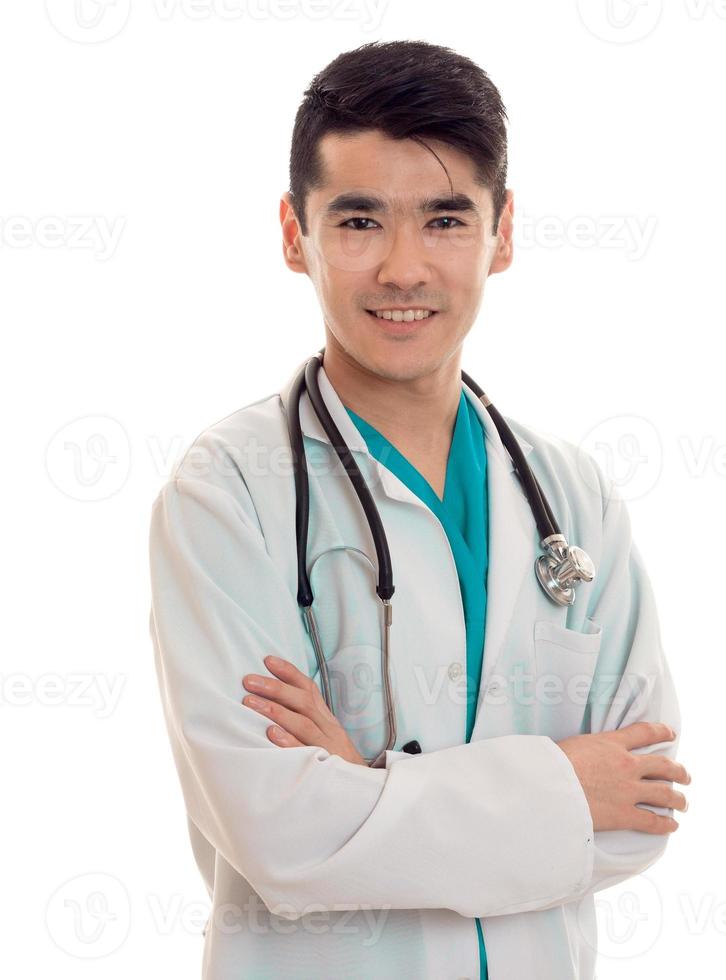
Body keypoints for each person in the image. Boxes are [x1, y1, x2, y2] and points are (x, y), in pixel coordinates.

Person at [148, 39, 689, 979]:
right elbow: (279, 835)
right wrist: (565, 789)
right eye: (359, 220)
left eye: (445, 220)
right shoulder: (227, 493)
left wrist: (362, 789)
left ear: (503, 232)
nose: (403, 268)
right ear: (293, 233)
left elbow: (641, 810)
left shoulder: (572, 495)